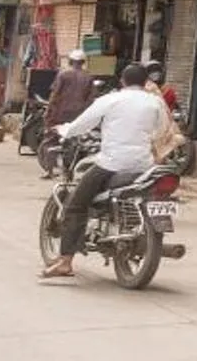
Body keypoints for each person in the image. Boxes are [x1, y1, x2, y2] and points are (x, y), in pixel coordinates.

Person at [40, 64, 170, 280]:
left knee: (75, 204)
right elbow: (161, 131)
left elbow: (82, 124)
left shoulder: (110, 100)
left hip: (112, 163)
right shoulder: (156, 102)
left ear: (122, 81)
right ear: (147, 82)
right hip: (143, 165)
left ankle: (65, 262)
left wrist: (63, 129)